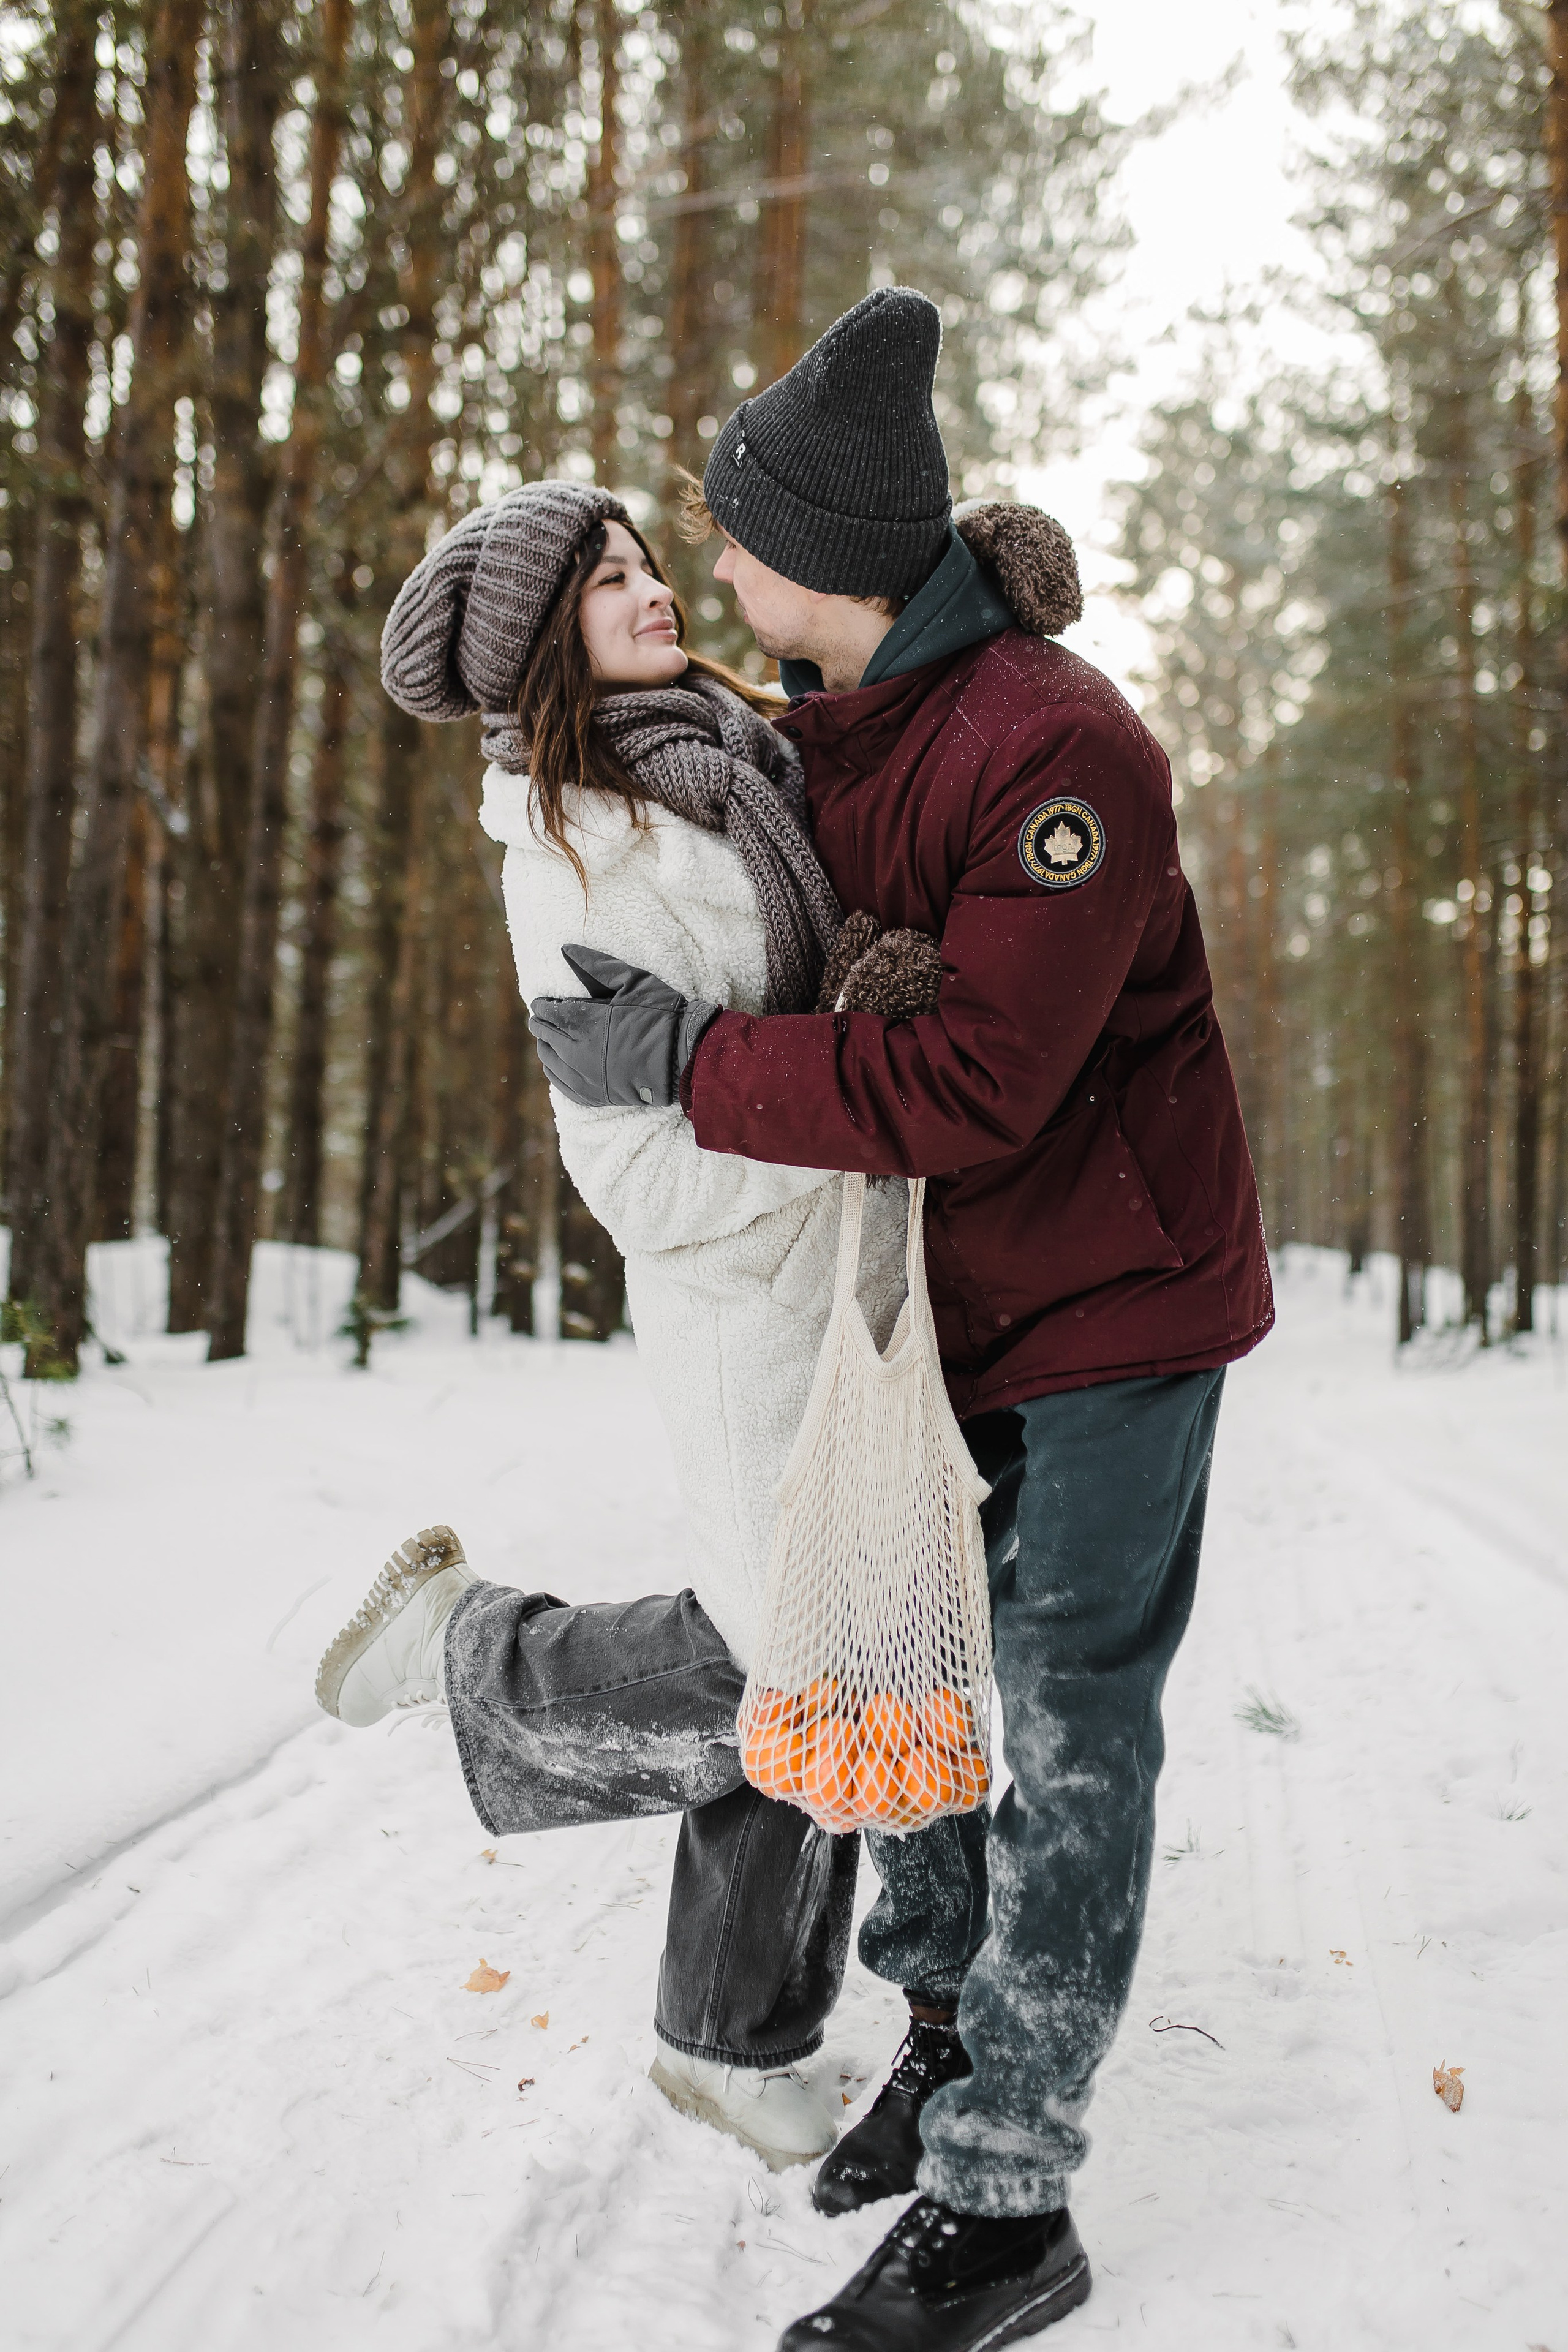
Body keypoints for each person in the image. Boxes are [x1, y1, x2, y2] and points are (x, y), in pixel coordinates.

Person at [528, 288, 1275, 2348]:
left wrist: (683, 1068)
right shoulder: (816, 727)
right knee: (918, 1681)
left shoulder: (1062, 753)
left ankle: (1015, 2195)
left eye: (733, 530)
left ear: (832, 555)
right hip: (946, 1309)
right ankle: (947, 2023)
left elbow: (973, 1087)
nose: (711, 560)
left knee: (1073, 1727)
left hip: (1121, 1304)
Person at [315, 480, 990, 2172]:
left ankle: (735, 2040)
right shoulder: (568, 851)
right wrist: (847, 1134)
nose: (652, 588)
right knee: (801, 1662)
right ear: (544, 640)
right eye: (605, 578)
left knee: (828, 1669)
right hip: (752, 1301)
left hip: (851, 1275)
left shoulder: (737, 759)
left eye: (644, 561)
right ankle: (474, 1651)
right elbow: (626, 1163)